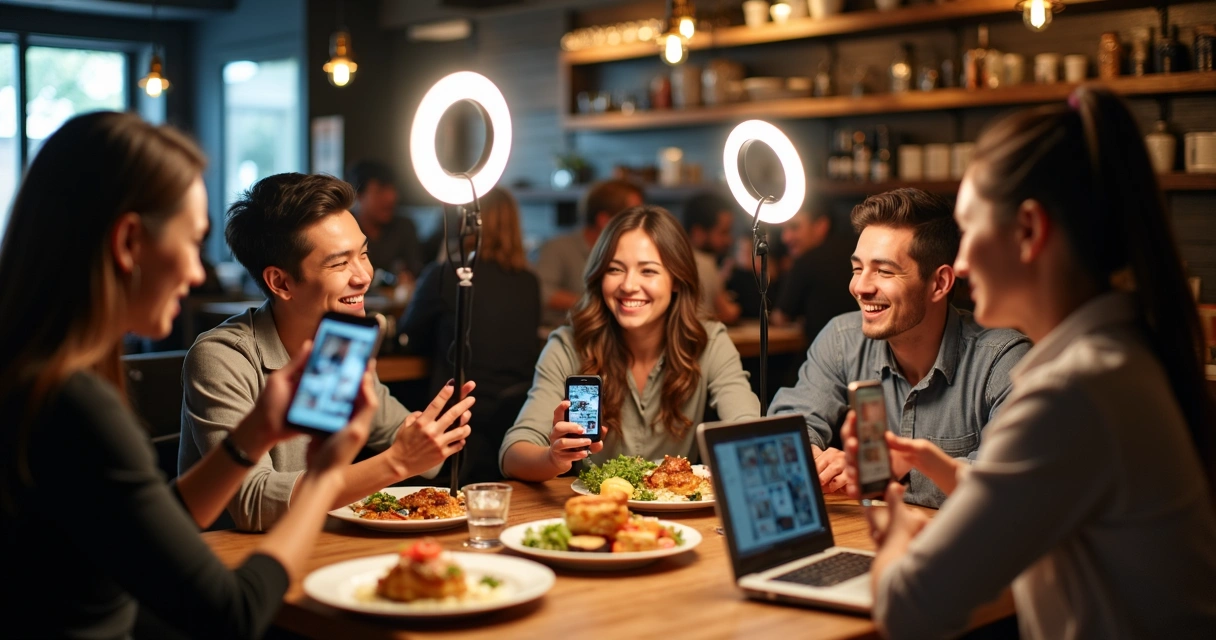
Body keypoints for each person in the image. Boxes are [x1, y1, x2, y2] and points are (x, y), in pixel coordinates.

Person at [843, 87, 1216, 638]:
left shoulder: (1070, 392)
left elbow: (910, 610)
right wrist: (937, 466)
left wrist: (893, 528)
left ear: (1030, 231)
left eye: (970, 233)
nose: (961, 263)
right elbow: (1048, 489)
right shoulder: (1116, 357)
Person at [0, 112, 375, 639]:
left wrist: (256, 431)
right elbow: (234, 613)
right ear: (130, 242)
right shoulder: (76, 405)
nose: (198, 273)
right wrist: (326, 477)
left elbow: (147, 532)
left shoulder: (32, 376)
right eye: (191, 241)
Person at [179, 172, 476, 532]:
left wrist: (431, 434)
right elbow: (251, 503)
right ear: (281, 282)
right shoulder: (222, 358)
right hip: (234, 566)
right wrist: (397, 462)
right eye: (339, 263)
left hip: (316, 547)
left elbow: (420, 458)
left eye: (363, 254)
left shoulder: (342, 346)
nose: (364, 275)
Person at [769, 188, 1030, 508]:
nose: (861, 287)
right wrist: (805, 458)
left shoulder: (1002, 361)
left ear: (940, 283)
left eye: (884, 271)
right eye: (857, 268)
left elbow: (1008, 484)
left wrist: (887, 473)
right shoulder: (842, 338)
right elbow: (788, 428)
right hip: (868, 543)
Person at [500, 206, 761, 482]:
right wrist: (553, 458)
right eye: (615, 269)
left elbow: (747, 429)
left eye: (648, 271)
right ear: (599, 276)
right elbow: (513, 454)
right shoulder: (568, 344)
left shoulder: (709, 342)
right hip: (596, 516)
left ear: (676, 280)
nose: (628, 285)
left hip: (680, 518)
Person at [399, 186, 541, 483]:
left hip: (457, 419)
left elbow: (408, 336)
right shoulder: (529, 282)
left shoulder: (446, 275)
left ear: (468, 223)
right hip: (511, 417)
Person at [535, 179, 644, 327]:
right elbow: (542, 292)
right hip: (564, 333)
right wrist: (593, 304)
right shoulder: (558, 248)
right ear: (604, 220)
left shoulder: (635, 252)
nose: (641, 224)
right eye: (632, 217)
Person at [772, 207, 859, 343]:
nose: (785, 237)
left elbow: (780, 317)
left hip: (824, 357)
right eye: (784, 230)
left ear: (821, 225)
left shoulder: (807, 260)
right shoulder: (858, 251)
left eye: (794, 227)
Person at [346, 160, 423, 282]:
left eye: (392, 189)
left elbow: (414, 271)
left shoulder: (404, 227)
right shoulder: (344, 228)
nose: (391, 197)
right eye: (380, 191)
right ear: (359, 195)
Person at [681, 192, 742, 324]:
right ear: (698, 233)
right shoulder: (704, 262)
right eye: (723, 232)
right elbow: (727, 313)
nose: (729, 240)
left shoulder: (675, 258)